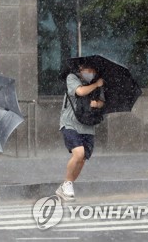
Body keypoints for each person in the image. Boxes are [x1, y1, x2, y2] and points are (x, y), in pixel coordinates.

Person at [56, 63, 105, 201]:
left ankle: (66, 185)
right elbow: (80, 92)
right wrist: (96, 85)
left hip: (88, 125)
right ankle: (67, 183)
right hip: (70, 123)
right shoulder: (72, 78)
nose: (89, 72)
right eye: (86, 69)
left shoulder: (98, 82)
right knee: (79, 153)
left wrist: (97, 104)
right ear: (80, 69)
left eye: (92, 69)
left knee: (82, 160)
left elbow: (102, 102)